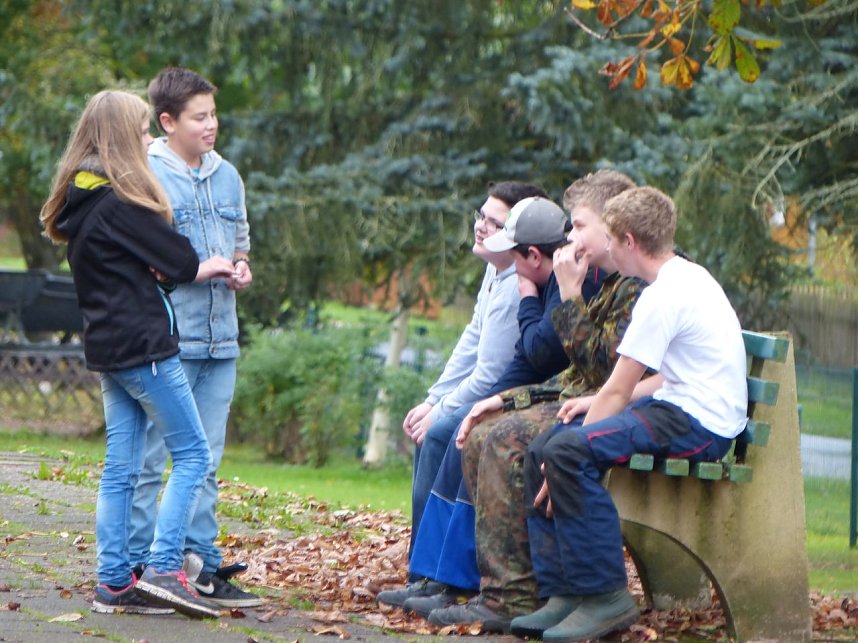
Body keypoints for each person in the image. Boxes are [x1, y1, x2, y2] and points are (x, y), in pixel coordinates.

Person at [511, 186, 748, 642]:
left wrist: (570, 452)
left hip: (701, 426)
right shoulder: (684, 277)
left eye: (611, 239)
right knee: (545, 447)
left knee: (565, 452)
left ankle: (604, 596)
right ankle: (563, 593)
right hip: (678, 407)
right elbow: (662, 377)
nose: (609, 250)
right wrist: (574, 433)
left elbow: (617, 391)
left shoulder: (663, 296)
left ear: (629, 241)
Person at [418, 170, 645, 632]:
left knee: (505, 440)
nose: (569, 237)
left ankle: (513, 597)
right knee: (479, 432)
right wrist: (506, 398)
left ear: (612, 226)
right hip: (588, 399)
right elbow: (572, 372)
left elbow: (599, 371)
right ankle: (499, 589)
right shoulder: (609, 280)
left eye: (577, 226)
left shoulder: (628, 284)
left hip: (631, 411)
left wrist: (569, 294)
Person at [39, 90, 235, 619]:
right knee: (193, 455)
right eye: (144, 131)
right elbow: (181, 259)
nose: (150, 140)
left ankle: (114, 583)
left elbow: (152, 265)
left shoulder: (84, 201)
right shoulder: (122, 204)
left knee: (121, 469)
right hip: (145, 349)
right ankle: (164, 570)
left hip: (110, 350)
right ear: (123, 139)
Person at [385, 196, 589, 618]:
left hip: (561, 399)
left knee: (468, 435)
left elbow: (540, 351)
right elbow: (506, 356)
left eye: (515, 254)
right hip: (535, 393)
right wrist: (452, 401)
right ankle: (431, 574)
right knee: (459, 431)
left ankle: (456, 579)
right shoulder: (521, 278)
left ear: (533, 256)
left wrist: (528, 297)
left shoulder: (550, 285)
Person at [125, 67, 259, 608]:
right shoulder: (145, 176)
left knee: (206, 462)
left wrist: (241, 267)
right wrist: (197, 268)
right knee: (150, 461)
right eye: (199, 117)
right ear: (167, 121)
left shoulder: (229, 176)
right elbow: (139, 260)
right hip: (168, 343)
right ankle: (139, 567)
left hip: (220, 341)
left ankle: (200, 567)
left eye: (213, 114)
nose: (211, 125)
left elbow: (241, 241)